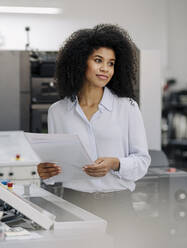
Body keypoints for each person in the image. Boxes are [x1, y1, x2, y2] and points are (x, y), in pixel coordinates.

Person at [37, 24, 151, 236]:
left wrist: (115, 163)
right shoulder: (58, 111)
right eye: (98, 60)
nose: (105, 69)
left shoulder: (127, 107)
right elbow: (56, 169)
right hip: (73, 204)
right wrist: (46, 173)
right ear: (80, 62)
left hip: (118, 207)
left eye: (111, 63)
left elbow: (142, 162)